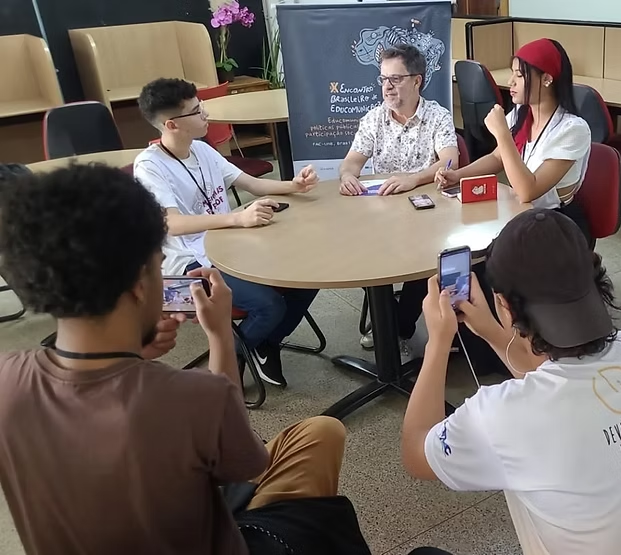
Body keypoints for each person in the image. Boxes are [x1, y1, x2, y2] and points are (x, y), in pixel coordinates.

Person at [0, 164, 372, 555]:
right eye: (159, 265)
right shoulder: (194, 396)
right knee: (321, 434)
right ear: (139, 284)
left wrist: (135, 353)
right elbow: (246, 466)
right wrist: (222, 336)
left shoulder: (8, 379)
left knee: (319, 432)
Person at [401, 209, 621, 555]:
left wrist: (438, 343)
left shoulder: (503, 413)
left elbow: (416, 453)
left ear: (505, 305)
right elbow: (552, 384)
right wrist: (490, 332)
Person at [134, 77, 319, 387]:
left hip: (230, 246)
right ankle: (230, 361)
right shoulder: (149, 166)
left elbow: (252, 184)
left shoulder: (201, 150)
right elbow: (172, 224)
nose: (205, 114)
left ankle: (262, 343)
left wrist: (294, 186)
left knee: (310, 275)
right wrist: (237, 219)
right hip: (186, 267)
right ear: (172, 125)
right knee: (269, 305)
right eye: (196, 111)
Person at [338, 44, 459, 353]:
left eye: (395, 79)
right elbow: (351, 161)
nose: (387, 87)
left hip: (428, 217)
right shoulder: (374, 119)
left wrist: (413, 179)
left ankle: (396, 327)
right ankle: (387, 321)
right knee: (353, 252)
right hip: (383, 216)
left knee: (427, 259)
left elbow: (450, 161)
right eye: (383, 79)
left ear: (417, 80)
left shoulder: (437, 116)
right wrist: (348, 176)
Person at [437, 38, 592, 245]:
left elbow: (528, 191)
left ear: (547, 79)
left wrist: (502, 133)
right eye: (512, 73)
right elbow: (497, 157)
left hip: (556, 223)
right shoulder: (522, 113)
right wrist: (457, 175)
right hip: (522, 213)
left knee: (490, 254)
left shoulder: (572, 129)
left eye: (519, 75)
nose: (511, 81)